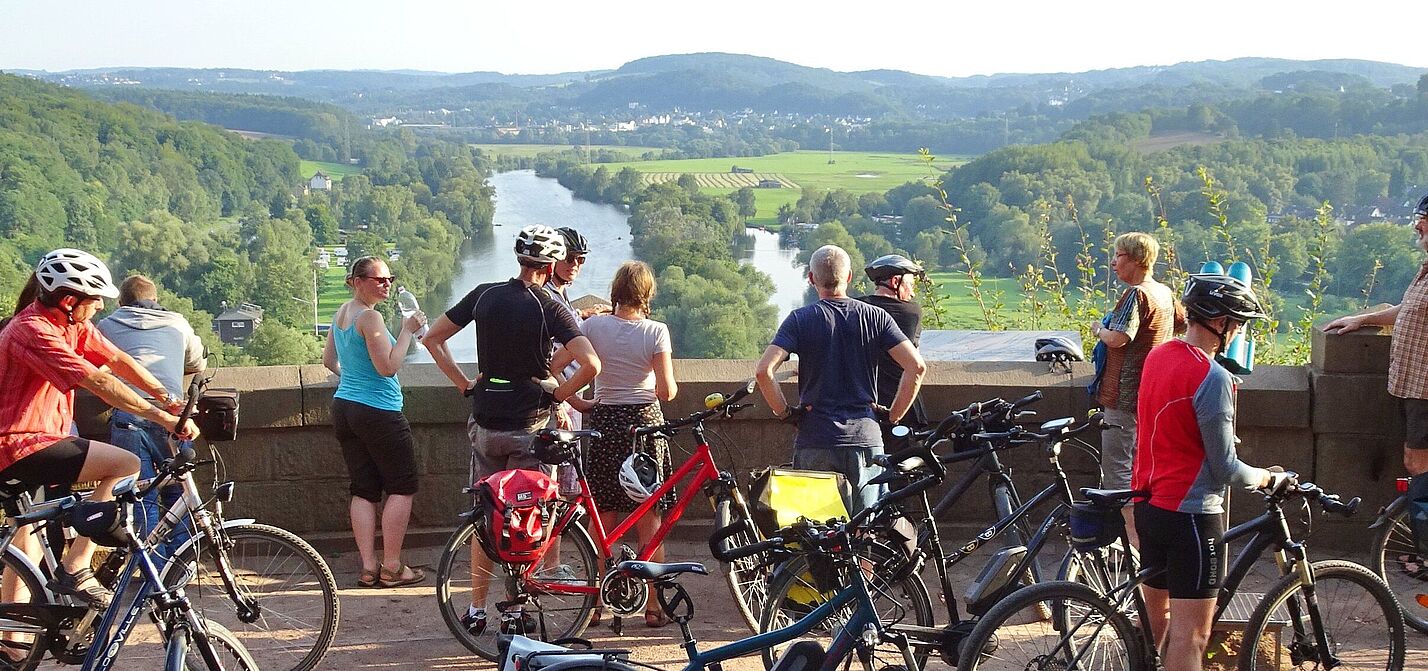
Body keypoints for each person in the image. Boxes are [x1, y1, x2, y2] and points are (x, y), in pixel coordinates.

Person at [422, 225, 600, 635]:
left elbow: (432, 338)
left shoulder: (484, 294)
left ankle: (477, 606)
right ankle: (517, 604)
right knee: (528, 515)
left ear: (519, 258)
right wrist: (558, 396)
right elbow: (591, 364)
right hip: (530, 426)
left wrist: (464, 383)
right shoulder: (550, 305)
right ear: (551, 263)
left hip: (485, 420)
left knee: (486, 515)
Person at [0, 249, 199, 611]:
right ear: (70, 300)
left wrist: (169, 399)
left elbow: (118, 361)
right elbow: (99, 383)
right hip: (20, 444)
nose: (99, 308)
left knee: (26, 535)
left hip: (35, 441)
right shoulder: (34, 330)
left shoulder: (69, 323)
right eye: (94, 301)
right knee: (124, 464)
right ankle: (76, 566)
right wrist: (164, 419)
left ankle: (14, 646)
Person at [1131, 273, 1291, 671]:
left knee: (1156, 624)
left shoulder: (1160, 355)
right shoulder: (1214, 378)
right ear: (1220, 323)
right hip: (1192, 515)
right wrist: (1269, 478)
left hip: (1149, 506)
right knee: (1192, 636)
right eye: (1238, 324)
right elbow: (1226, 470)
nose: (1238, 333)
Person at [754, 245, 926, 513]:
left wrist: (786, 413)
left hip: (815, 439)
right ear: (849, 277)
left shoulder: (800, 319)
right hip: (865, 439)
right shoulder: (876, 317)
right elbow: (916, 367)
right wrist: (893, 416)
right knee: (866, 533)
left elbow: (764, 371)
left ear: (811, 278)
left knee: (816, 533)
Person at [554, 260, 676, 628]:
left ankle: (595, 603)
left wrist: (575, 401)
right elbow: (667, 391)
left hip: (605, 420)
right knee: (648, 517)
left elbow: (555, 364)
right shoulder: (656, 331)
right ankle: (653, 604)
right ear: (647, 294)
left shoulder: (591, 326)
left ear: (616, 291)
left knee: (602, 515)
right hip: (644, 427)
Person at [321, 256, 427, 589]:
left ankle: (368, 567)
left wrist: (353, 382)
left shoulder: (342, 313)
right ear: (357, 280)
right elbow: (388, 367)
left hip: (345, 408)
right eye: (378, 279)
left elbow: (328, 360)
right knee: (401, 485)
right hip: (379, 411)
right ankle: (392, 567)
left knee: (364, 489)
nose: (386, 284)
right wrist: (407, 331)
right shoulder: (371, 317)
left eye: (389, 279)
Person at [96, 274, 207, 560]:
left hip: (129, 415)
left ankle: (152, 572)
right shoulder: (177, 322)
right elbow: (197, 362)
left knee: (140, 498)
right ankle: (181, 566)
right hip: (171, 415)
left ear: (121, 302)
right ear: (155, 299)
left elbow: (95, 365)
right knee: (178, 494)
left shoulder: (107, 325)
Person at [1325, 194, 1428, 483]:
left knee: (1418, 463)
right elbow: (1409, 310)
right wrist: (1362, 319)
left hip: (1425, 392)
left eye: (1423, 220)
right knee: (1415, 463)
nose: (1416, 226)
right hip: (1413, 388)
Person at [1089, 232, 1182, 545]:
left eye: (1119, 256)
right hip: (1153, 394)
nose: (1114, 262)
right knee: (1144, 471)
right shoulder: (1164, 293)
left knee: (1118, 472)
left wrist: (1099, 330)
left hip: (1124, 396)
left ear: (1138, 260)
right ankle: (1146, 539)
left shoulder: (1137, 295)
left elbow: (1119, 338)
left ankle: (1135, 546)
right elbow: (1181, 324)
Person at [545, 227, 609, 431]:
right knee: (563, 463)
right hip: (559, 393)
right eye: (569, 258)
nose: (575, 265)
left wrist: (582, 314)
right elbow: (544, 355)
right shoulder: (546, 297)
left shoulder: (558, 293)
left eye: (580, 260)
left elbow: (565, 324)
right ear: (553, 259)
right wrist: (559, 404)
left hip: (568, 389)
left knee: (571, 461)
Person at [857, 254, 928, 434]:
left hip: (864, 408)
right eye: (910, 285)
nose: (912, 293)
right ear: (896, 281)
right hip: (903, 409)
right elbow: (915, 360)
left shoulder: (856, 308)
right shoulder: (911, 312)